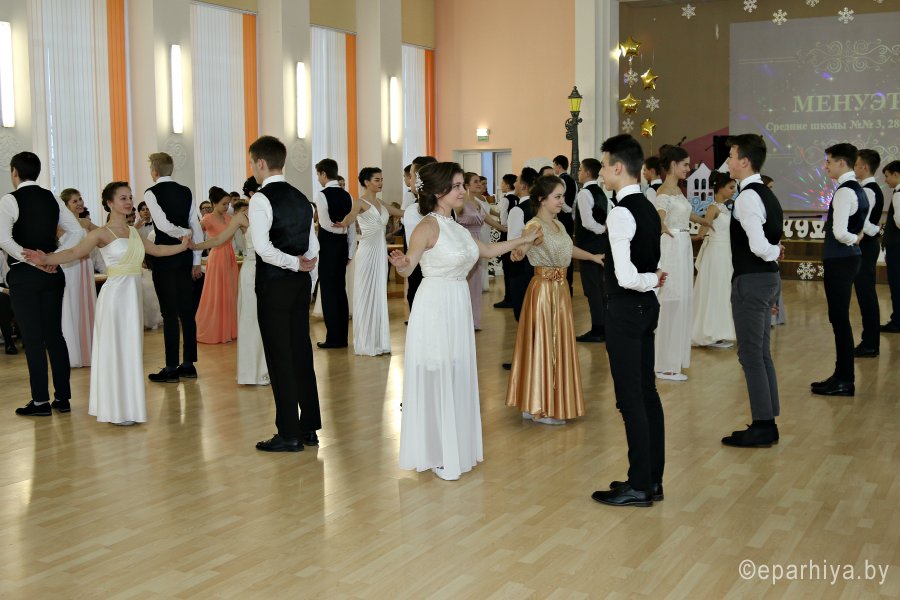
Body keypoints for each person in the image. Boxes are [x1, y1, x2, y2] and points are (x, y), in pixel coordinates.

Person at [390, 162, 538, 481]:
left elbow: (487, 249)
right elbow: (409, 266)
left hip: (456, 304)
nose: (463, 191)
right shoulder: (427, 226)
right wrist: (401, 264)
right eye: (456, 186)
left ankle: (453, 448)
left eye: (462, 185)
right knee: (438, 373)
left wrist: (521, 240)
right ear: (438, 191)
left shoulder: (455, 226)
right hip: (435, 306)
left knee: (455, 371)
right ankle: (437, 451)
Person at [25, 181, 191, 425]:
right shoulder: (100, 233)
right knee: (116, 351)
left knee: (131, 351)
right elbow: (73, 253)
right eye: (123, 198)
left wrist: (182, 246)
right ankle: (115, 409)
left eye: (130, 197)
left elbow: (157, 250)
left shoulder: (133, 232)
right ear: (110, 203)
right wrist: (46, 258)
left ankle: (129, 408)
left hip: (132, 300)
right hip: (114, 299)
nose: (129, 202)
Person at [590, 134, 667, 507]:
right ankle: (651, 479)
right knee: (647, 393)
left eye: (605, 165)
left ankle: (638, 485)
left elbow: (625, 276)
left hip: (626, 308)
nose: (602, 172)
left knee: (630, 399)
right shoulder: (648, 207)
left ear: (618, 167)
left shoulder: (621, 212)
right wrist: (652, 279)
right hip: (646, 308)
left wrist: (651, 279)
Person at [506, 175, 604, 424]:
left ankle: (535, 402)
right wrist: (519, 252)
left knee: (553, 345)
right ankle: (541, 406)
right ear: (542, 199)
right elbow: (523, 246)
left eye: (563, 196)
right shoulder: (534, 226)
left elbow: (568, 249)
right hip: (543, 291)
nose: (562, 201)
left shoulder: (558, 224)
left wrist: (592, 257)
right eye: (557, 197)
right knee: (545, 345)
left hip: (558, 290)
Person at [247, 136, 321, 452]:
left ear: (261, 163)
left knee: (280, 357)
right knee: (301, 352)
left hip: (274, 285)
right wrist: (305, 270)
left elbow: (263, 248)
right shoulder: (301, 198)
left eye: (253, 163)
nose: (253, 168)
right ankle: (309, 428)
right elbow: (313, 246)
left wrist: (293, 263)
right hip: (299, 284)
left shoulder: (260, 199)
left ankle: (289, 433)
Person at [0, 152, 84, 416]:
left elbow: (3, 239)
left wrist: (34, 260)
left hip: (25, 276)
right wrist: (53, 258)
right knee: (54, 336)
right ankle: (63, 399)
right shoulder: (52, 198)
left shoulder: (9, 199)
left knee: (33, 339)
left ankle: (40, 402)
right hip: (52, 274)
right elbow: (77, 231)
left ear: (14, 172)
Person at [721, 134, 784, 447]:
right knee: (760, 352)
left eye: (732, 156)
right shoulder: (766, 193)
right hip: (766, 279)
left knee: (751, 354)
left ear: (744, 162)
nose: (728, 161)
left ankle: (762, 424)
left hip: (752, 280)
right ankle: (767, 420)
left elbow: (760, 246)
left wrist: (774, 252)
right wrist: (775, 252)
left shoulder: (747, 197)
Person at [811, 143, 868, 397]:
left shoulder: (845, 191)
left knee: (839, 319)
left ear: (841, 163)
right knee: (839, 318)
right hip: (847, 259)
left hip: (840, 259)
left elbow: (840, 232)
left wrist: (854, 239)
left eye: (829, 161)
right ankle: (840, 374)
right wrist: (855, 238)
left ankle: (845, 380)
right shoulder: (857, 188)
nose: (826, 166)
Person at [142, 152, 204, 382]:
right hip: (185, 258)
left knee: (169, 314)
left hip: (165, 257)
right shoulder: (185, 191)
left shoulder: (151, 192)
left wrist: (183, 234)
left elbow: (162, 224)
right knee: (187, 312)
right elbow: (195, 225)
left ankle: (170, 369)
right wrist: (196, 260)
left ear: (154, 172)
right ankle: (188, 365)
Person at [195, 200, 268, 384]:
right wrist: (194, 246)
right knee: (251, 319)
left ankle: (268, 367)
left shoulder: (271, 213)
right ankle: (252, 371)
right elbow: (218, 240)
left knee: (268, 321)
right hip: (251, 270)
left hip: (270, 271)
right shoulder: (241, 218)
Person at [654, 145, 706, 381]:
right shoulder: (664, 191)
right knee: (670, 300)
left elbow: (685, 213)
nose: (688, 168)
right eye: (685, 164)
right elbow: (660, 216)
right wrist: (663, 227)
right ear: (673, 165)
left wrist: (705, 222)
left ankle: (672, 361)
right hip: (673, 247)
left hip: (682, 245)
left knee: (681, 299)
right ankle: (664, 364)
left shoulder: (677, 190)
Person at [338, 167, 403, 356]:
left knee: (378, 293)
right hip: (366, 252)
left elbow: (402, 212)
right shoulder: (360, 202)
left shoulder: (381, 203)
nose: (381, 182)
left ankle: (379, 341)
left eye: (381, 179)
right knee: (365, 293)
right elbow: (351, 216)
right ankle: (366, 342)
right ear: (366, 182)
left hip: (380, 251)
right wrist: (344, 223)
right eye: (377, 179)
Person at [691, 171, 736, 348]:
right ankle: (711, 332)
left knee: (724, 290)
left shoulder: (725, 208)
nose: (733, 191)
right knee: (716, 289)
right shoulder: (713, 208)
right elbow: (704, 226)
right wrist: (700, 235)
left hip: (726, 253)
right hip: (716, 253)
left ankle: (720, 331)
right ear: (721, 188)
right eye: (731, 187)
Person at [456, 172, 505, 331]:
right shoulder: (459, 203)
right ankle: (462, 321)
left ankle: (474, 321)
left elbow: (491, 222)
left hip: (478, 245)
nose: (479, 184)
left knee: (475, 283)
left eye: (479, 181)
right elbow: (452, 222)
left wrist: (509, 231)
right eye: (475, 181)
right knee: (464, 283)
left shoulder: (478, 203)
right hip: (464, 244)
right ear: (466, 185)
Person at [314, 158, 354, 349]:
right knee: (340, 290)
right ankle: (342, 337)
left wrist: (340, 228)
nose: (318, 178)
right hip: (343, 246)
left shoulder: (321, 195)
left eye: (318, 174)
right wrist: (350, 251)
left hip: (328, 246)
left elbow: (324, 223)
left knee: (329, 292)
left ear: (323, 174)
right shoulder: (348, 195)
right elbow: (351, 225)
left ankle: (333, 338)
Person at [58, 188, 97, 368]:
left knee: (86, 303)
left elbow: (106, 233)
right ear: (66, 206)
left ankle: (89, 351)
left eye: (80, 199)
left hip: (85, 266)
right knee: (72, 304)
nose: (80, 203)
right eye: (74, 201)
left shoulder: (85, 222)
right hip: (70, 268)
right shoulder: (59, 226)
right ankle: (73, 353)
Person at [196, 186, 239, 344]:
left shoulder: (230, 218)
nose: (227, 206)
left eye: (228, 204)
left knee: (230, 292)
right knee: (217, 293)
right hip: (217, 257)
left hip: (230, 256)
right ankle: (216, 330)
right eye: (223, 204)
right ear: (214, 203)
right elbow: (195, 231)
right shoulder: (207, 219)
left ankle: (230, 329)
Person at [852, 149, 883, 357]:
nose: (853, 168)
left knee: (867, 295)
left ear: (864, 167)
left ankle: (870, 343)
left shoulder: (869, 191)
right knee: (865, 294)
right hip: (865, 245)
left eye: (855, 164)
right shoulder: (866, 189)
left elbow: (864, 223)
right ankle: (869, 341)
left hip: (866, 245)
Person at [574, 158, 609, 343]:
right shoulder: (602, 192)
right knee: (600, 287)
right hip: (601, 244)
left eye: (580, 169)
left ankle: (597, 330)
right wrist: (604, 229)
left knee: (592, 288)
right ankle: (604, 327)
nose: (578, 172)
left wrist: (602, 229)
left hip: (589, 246)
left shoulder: (584, 193)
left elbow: (587, 222)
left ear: (587, 173)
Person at [402, 155, 438, 310]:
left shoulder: (414, 209)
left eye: (411, 175)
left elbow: (414, 248)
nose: (409, 180)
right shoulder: (446, 206)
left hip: (422, 268)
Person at [493, 173, 518, 309]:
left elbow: (503, 220)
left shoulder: (505, 199)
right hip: (518, 236)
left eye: (502, 183)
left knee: (507, 268)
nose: (500, 185)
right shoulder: (518, 198)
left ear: (508, 185)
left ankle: (509, 298)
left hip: (506, 235)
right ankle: (516, 296)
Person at [882, 161, 900, 333]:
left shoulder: (898, 194)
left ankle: (897, 321)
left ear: (896, 174)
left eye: (887, 176)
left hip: (897, 248)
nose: (885, 180)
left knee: (896, 284)